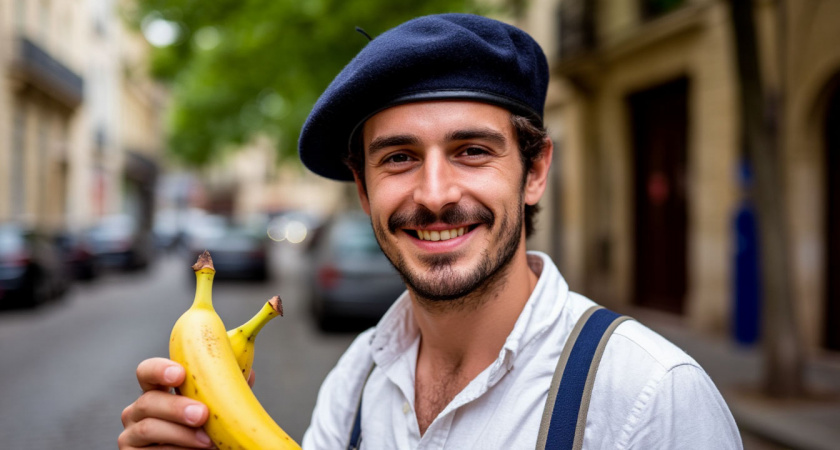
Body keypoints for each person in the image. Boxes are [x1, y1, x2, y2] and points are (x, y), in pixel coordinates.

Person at [119, 13, 742, 449]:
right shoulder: (357, 378)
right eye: (399, 157)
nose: (436, 194)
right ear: (364, 190)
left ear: (534, 172)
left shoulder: (651, 397)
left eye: (472, 151)